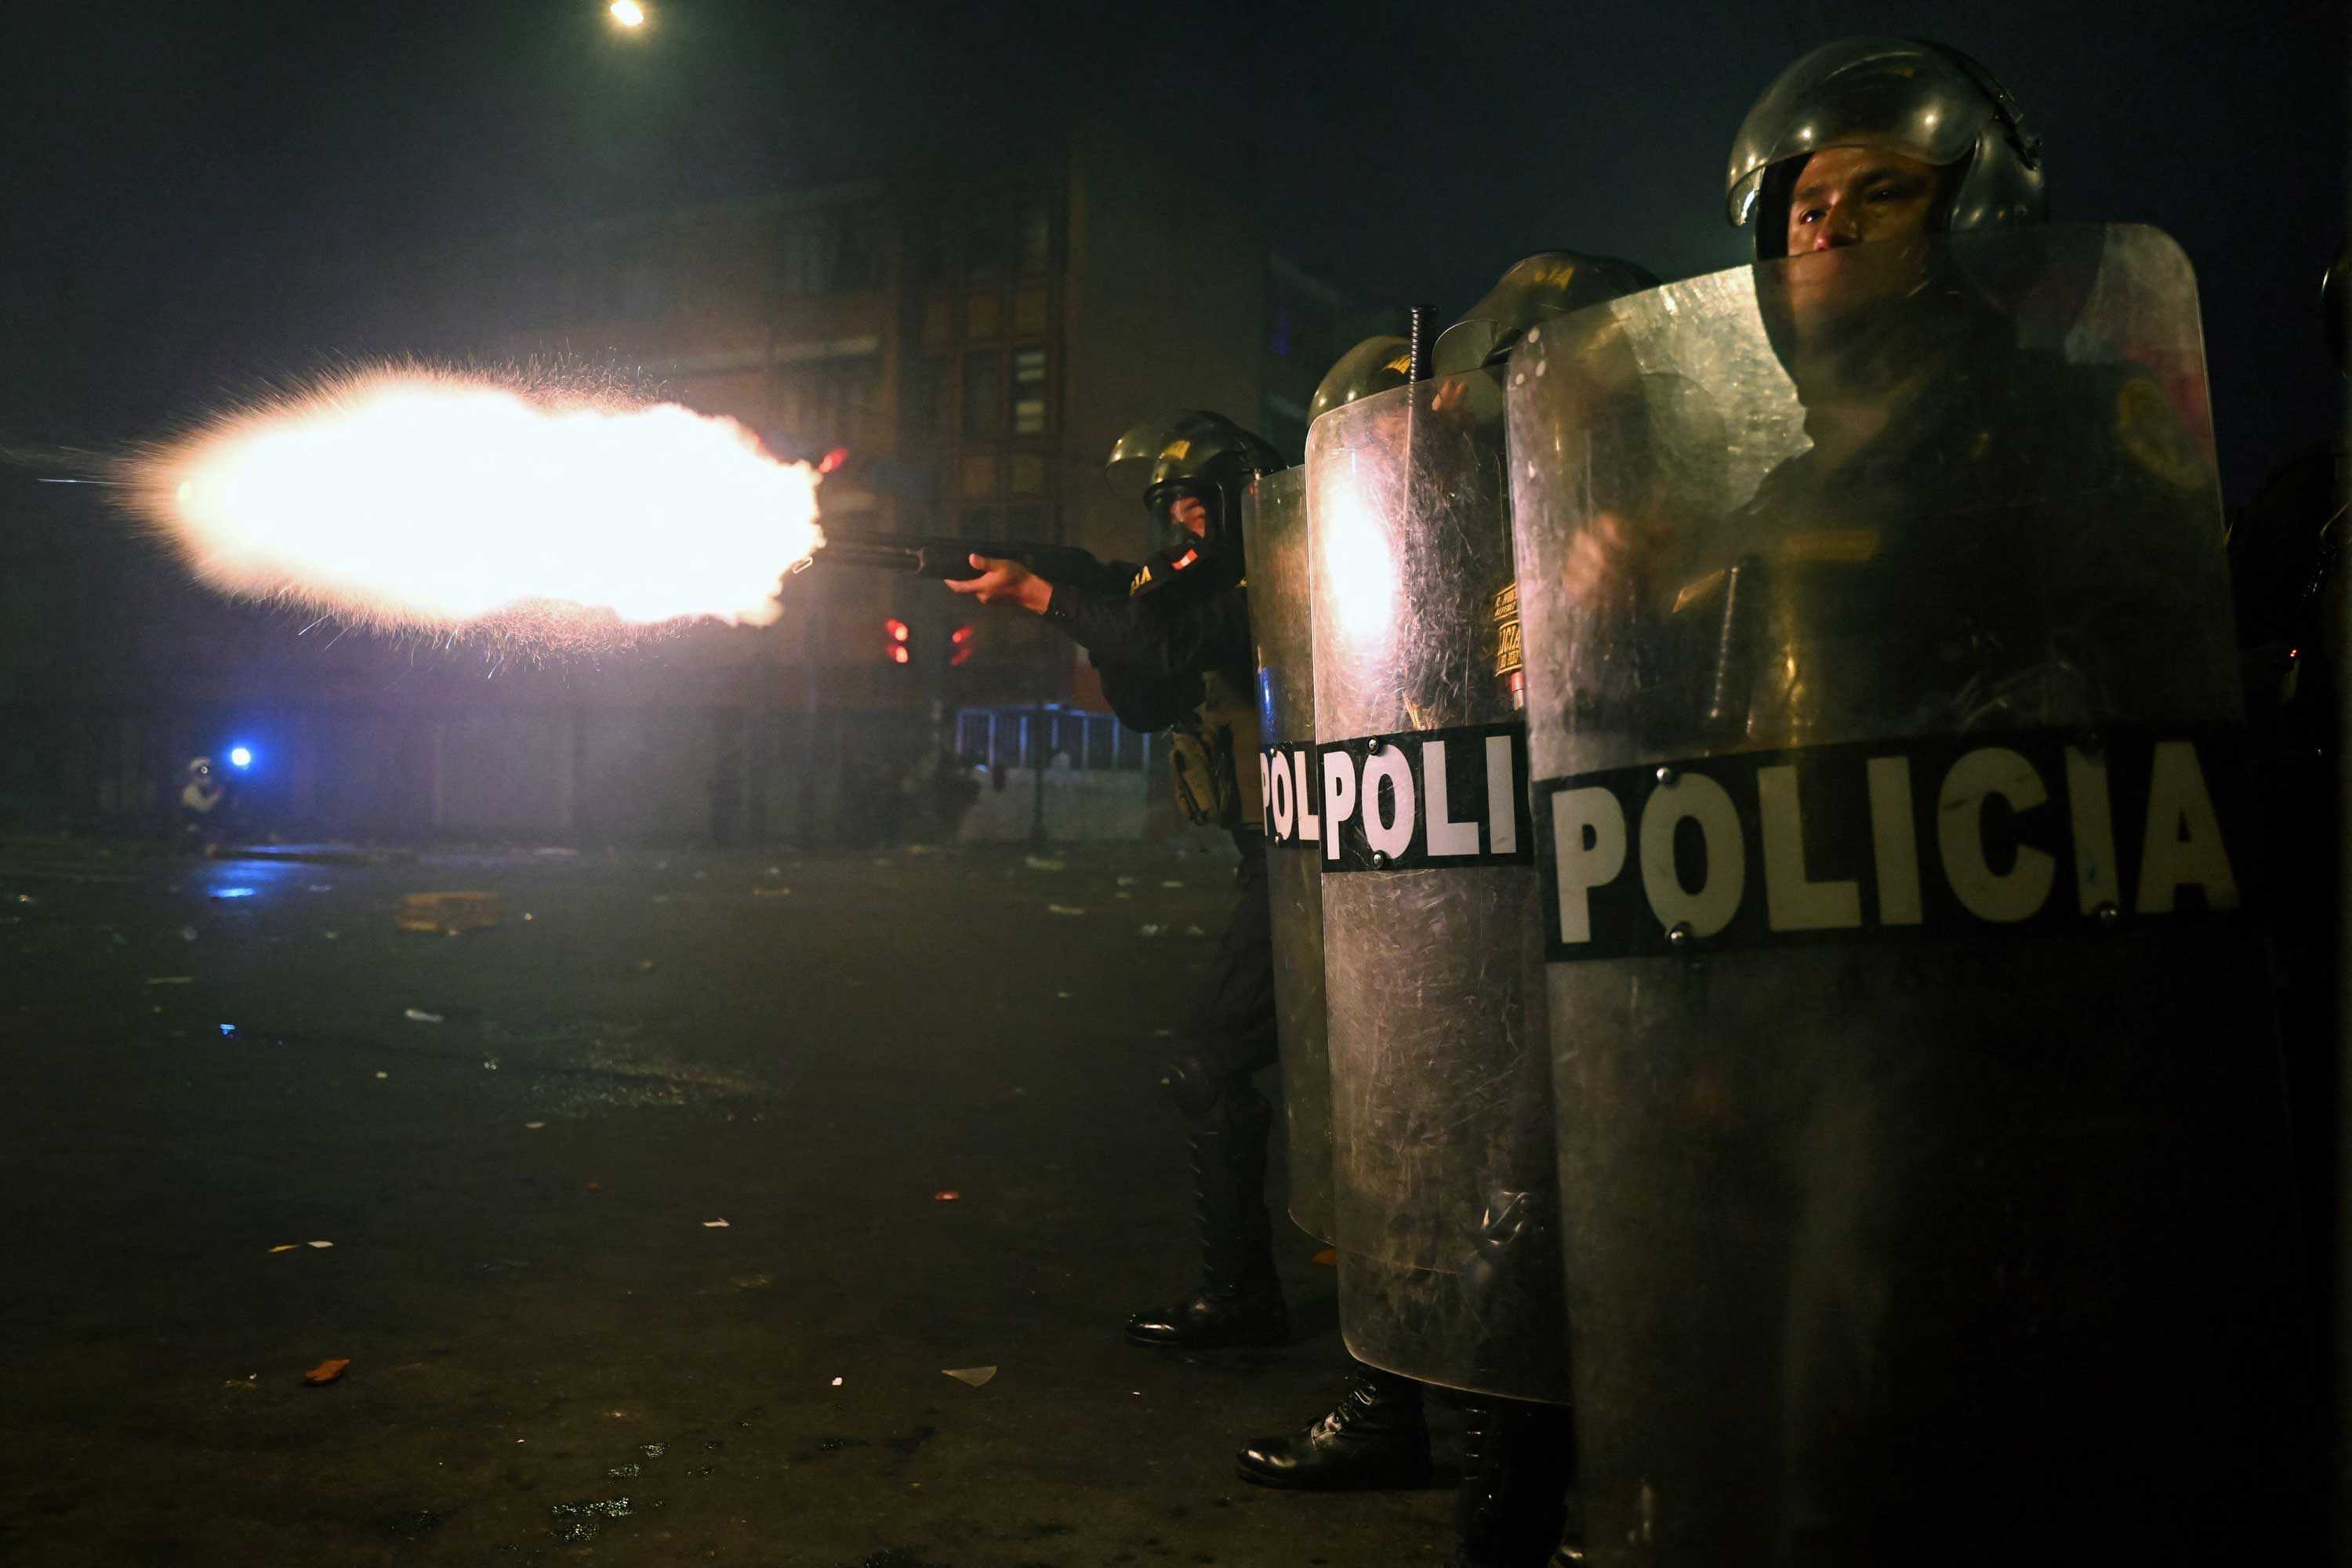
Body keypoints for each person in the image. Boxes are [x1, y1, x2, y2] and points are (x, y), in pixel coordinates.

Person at [949, 411, 1297, 1352]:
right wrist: (1097, 606)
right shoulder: (1192, 588)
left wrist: (1043, 598)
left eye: (1198, 501)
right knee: (1224, 1063)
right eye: (1171, 506)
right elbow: (1148, 698)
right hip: (1284, 853)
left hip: (1317, 857)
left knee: (1212, 1060)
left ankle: (1246, 1297)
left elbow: (1178, 654)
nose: (1184, 520)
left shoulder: (1286, 566)